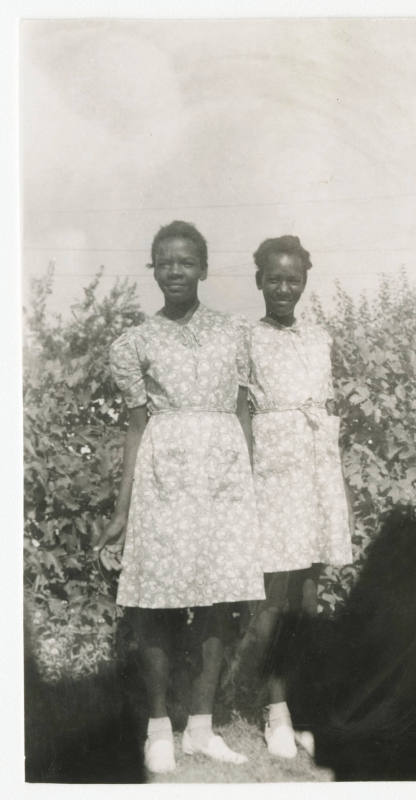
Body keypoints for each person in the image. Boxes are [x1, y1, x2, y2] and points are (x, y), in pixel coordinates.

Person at [94, 220, 265, 775]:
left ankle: (200, 727)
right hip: (163, 474)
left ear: (204, 269)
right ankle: (159, 728)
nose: (174, 271)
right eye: (164, 261)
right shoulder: (137, 341)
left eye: (185, 262)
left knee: (219, 599)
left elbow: (243, 413)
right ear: (154, 268)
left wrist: (251, 486)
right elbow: (136, 428)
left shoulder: (234, 334)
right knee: (154, 601)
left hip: (223, 477)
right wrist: (122, 510)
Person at [247, 235, 354, 759]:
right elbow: (242, 411)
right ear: (259, 280)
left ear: (304, 282)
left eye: (293, 279)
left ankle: (303, 702)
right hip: (271, 467)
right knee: (273, 590)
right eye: (274, 278)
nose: (283, 287)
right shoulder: (247, 337)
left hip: (314, 466)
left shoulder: (320, 338)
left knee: (309, 591)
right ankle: (275, 710)